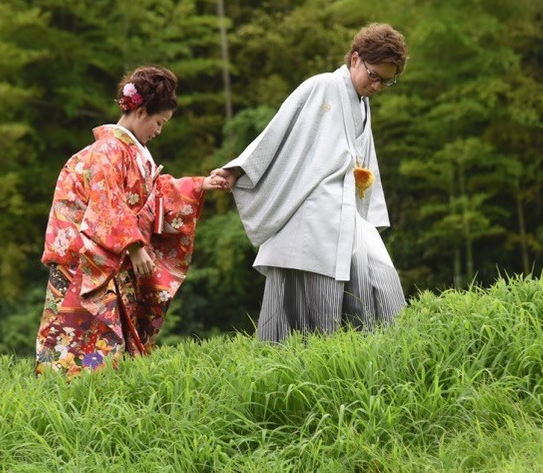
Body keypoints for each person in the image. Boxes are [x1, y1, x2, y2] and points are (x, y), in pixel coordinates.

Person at [210, 23, 409, 341]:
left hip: (343, 208)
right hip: (311, 205)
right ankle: (312, 364)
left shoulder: (362, 103)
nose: (378, 86)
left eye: (387, 82)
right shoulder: (321, 86)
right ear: (355, 59)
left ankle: (376, 352)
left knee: (380, 276)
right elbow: (278, 131)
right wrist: (238, 171)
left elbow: (364, 161)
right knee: (317, 293)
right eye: (374, 76)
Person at [35, 66, 229, 377]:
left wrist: (200, 185)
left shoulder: (130, 152)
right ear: (140, 110)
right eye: (158, 121)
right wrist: (136, 247)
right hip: (85, 265)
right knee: (82, 355)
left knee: (107, 354)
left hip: (107, 259)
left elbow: (157, 193)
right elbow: (106, 204)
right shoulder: (109, 150)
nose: (159, 130)